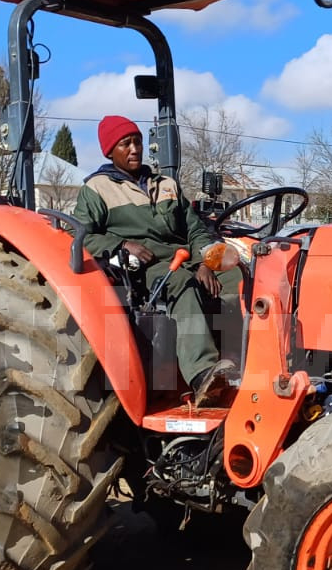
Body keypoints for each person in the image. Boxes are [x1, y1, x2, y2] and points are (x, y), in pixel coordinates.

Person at [73, 115, 238, 405]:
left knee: (240, 277)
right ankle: (203, 375)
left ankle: (247, 359)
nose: (135, 148)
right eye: (126, 144)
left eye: (137, 141)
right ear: (110, 151)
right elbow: (82, 237)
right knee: (180, 282)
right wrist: (122, 244)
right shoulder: (97, 189)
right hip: (144, 269)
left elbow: (196, 229)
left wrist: (206, 263)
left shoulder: (167, 184)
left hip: (187, 258)